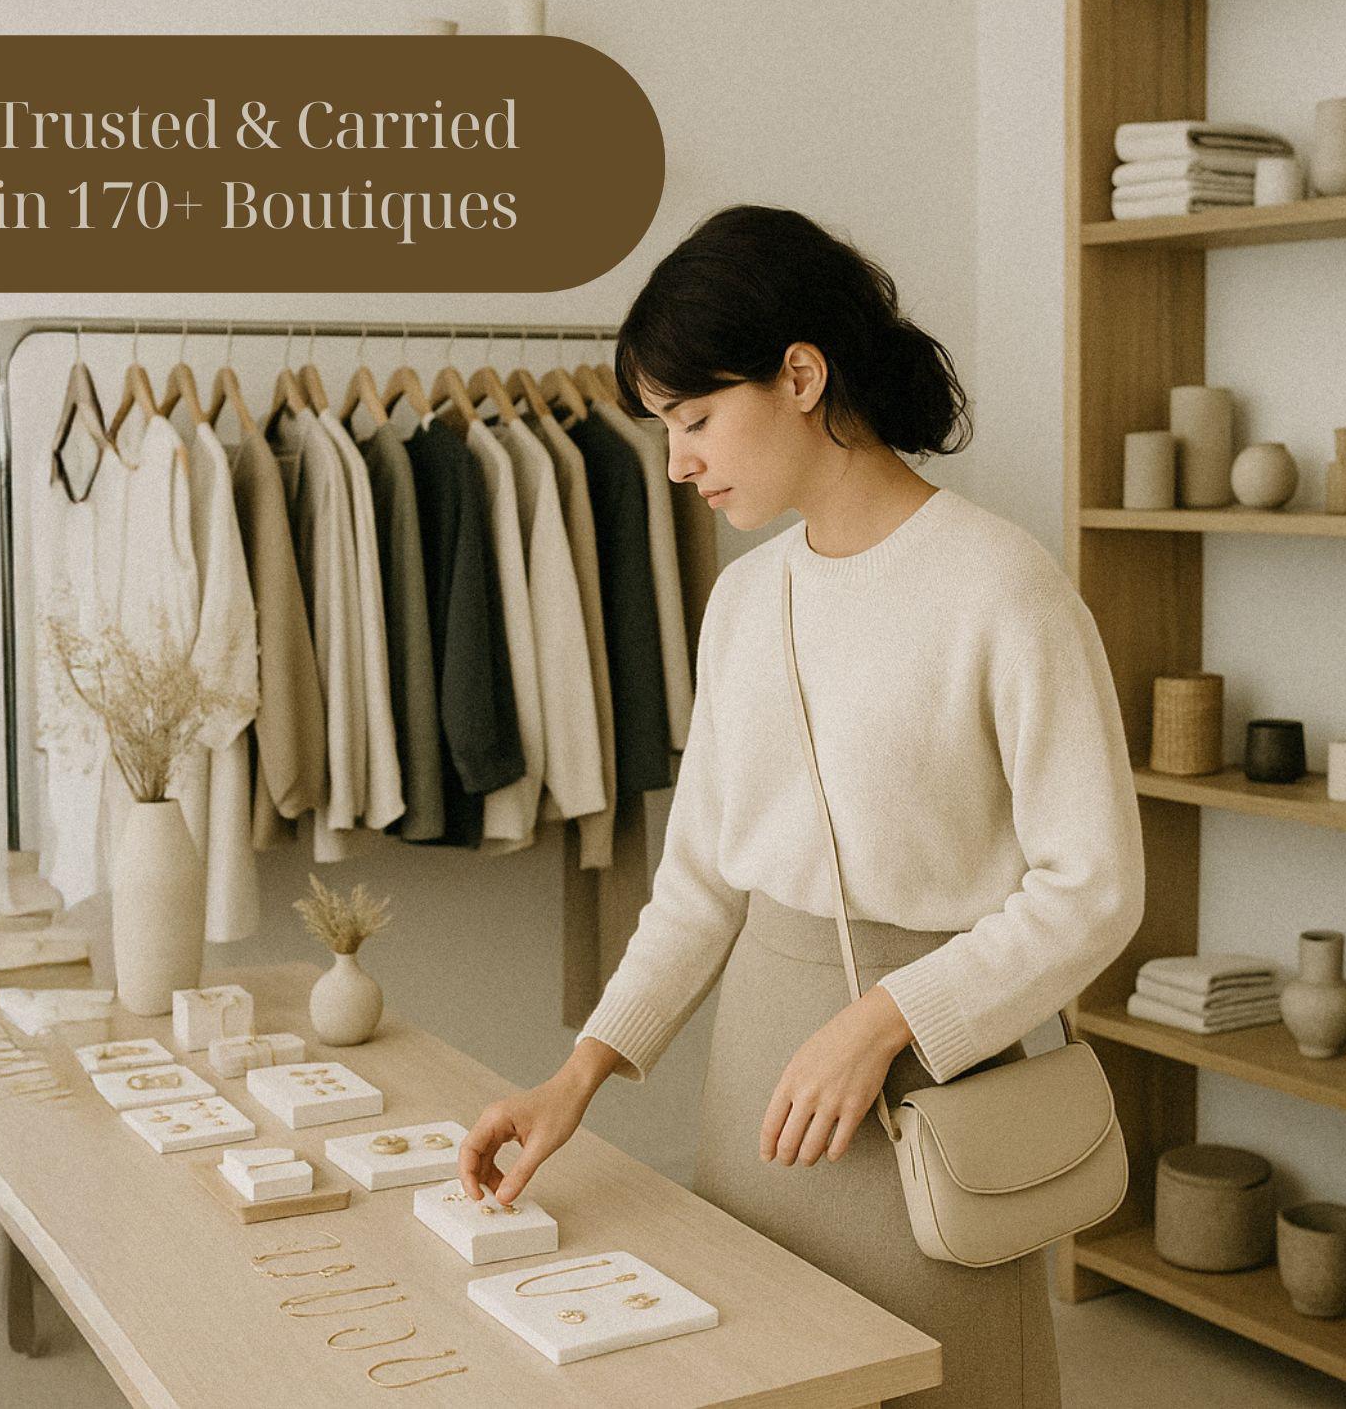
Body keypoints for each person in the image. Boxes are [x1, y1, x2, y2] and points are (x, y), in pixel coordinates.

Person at [460, 204, 1144, 1407]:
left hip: (939, 1077)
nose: (676, 460)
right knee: (767, 1374)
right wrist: (578, 1077)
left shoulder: (1003, 586)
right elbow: (702, 883)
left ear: (802, 375)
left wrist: (886, 1018)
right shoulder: (746, 600)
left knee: (951, 1384)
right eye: (665, 427)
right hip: (761, 1087)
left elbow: (1095, 888)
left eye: (695, 417)